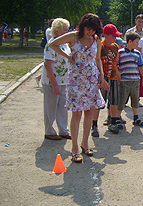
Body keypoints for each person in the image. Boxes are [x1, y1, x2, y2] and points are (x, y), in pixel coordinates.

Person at [49, 13, 108, 163]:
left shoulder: (96, 39)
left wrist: (101, 75)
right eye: (88, 29)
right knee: (77, 114)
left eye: (93, 30)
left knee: (89, 113)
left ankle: (85, 144)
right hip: (76, 80)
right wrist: (67, 56)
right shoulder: (73, 37)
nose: (90, 32)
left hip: (92, 79)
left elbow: (97, 59)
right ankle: (74, 148)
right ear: (83, 26)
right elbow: (52, 44)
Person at [41, 18, 71, 140]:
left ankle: (64, 130)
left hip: (63, 81)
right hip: (52, 81)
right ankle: (49, 131)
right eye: (65, 30)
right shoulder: (51, 45)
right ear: (57, 31)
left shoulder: (65, 44)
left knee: (63, 107)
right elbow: (48, 66)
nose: (67, 32)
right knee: (51, 107)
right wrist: (54, 85)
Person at [111, 31, 143, 129]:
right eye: (136, 42)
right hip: (124, 81)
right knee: (121, 100)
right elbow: (117, 67)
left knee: (135, 100)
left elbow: (141, 65)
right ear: (129, 41)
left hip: (135, 81)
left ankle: (136, 118)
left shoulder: (137, 53)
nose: (137, 44)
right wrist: (119, 79)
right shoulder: (120, 52)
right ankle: (117, 118)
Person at [92, 24, 123, 137]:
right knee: (99, 103)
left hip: (113, 78)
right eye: (113, 36)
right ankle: (94, 125)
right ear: (106, 35)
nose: (115, 38)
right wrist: (100, 77)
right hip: (102, 78)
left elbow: (116, 63)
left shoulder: (115, 46)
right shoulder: (100, 46)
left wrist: (118, 76)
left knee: (114, 101)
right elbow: (96, 61)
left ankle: (113, 122)